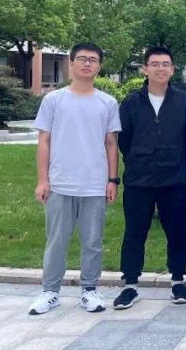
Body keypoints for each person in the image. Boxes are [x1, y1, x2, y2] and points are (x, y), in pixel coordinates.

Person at [29, 42, 121, 315]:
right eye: (82, 58)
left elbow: (111, 144)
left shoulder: (107, 103)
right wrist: (42, 180)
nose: (87, 63)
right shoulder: (54, 101)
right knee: (56, 240)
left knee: (92, 241)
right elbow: (44, 141)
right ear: (71, 63)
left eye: (93, 60)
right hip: (60, 183)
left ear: (99, 66)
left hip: (94, 184)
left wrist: (112, 179)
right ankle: (50, 291)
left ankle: (89, 289)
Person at [113, 46, 186, 310]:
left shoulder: (184, 102)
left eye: (166, 64)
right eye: (155, 64)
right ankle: (130, 285)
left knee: (178, 232)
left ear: (172, 69)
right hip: (139, 180)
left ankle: (178, 281)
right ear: (145, 69)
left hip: (174, 179)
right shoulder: (131, 103)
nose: (161, 68)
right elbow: (124, 140)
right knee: (134, 232)